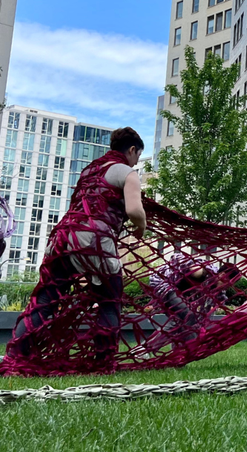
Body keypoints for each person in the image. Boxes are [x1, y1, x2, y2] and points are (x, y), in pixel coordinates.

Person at [5, 128, 146, 371]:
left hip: (62, 237)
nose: (136, 161)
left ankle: (16, 355)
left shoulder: (90, 170)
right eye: (138, 156)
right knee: (110, 300)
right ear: (132, 150)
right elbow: (134, 210)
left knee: (45, 300)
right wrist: (141, 227)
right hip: (93, 240)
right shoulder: (127, 172)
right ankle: (103, 362)